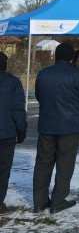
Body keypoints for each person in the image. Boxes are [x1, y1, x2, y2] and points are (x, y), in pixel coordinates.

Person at [32, 42, 79, 214]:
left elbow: (39, 95)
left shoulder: (43, 73)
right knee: (65, 163)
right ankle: (58, 200)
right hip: (69, 125)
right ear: (70, 57)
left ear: (55, 56)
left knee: (43, 163)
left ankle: (39, 202)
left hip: (46, 124)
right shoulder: (77, 74)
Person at [1, 52, 27, 214]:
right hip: (6, 133)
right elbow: (18, 109)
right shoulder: (12, 82)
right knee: (3, 169)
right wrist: (21, 129)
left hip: (7, 132)